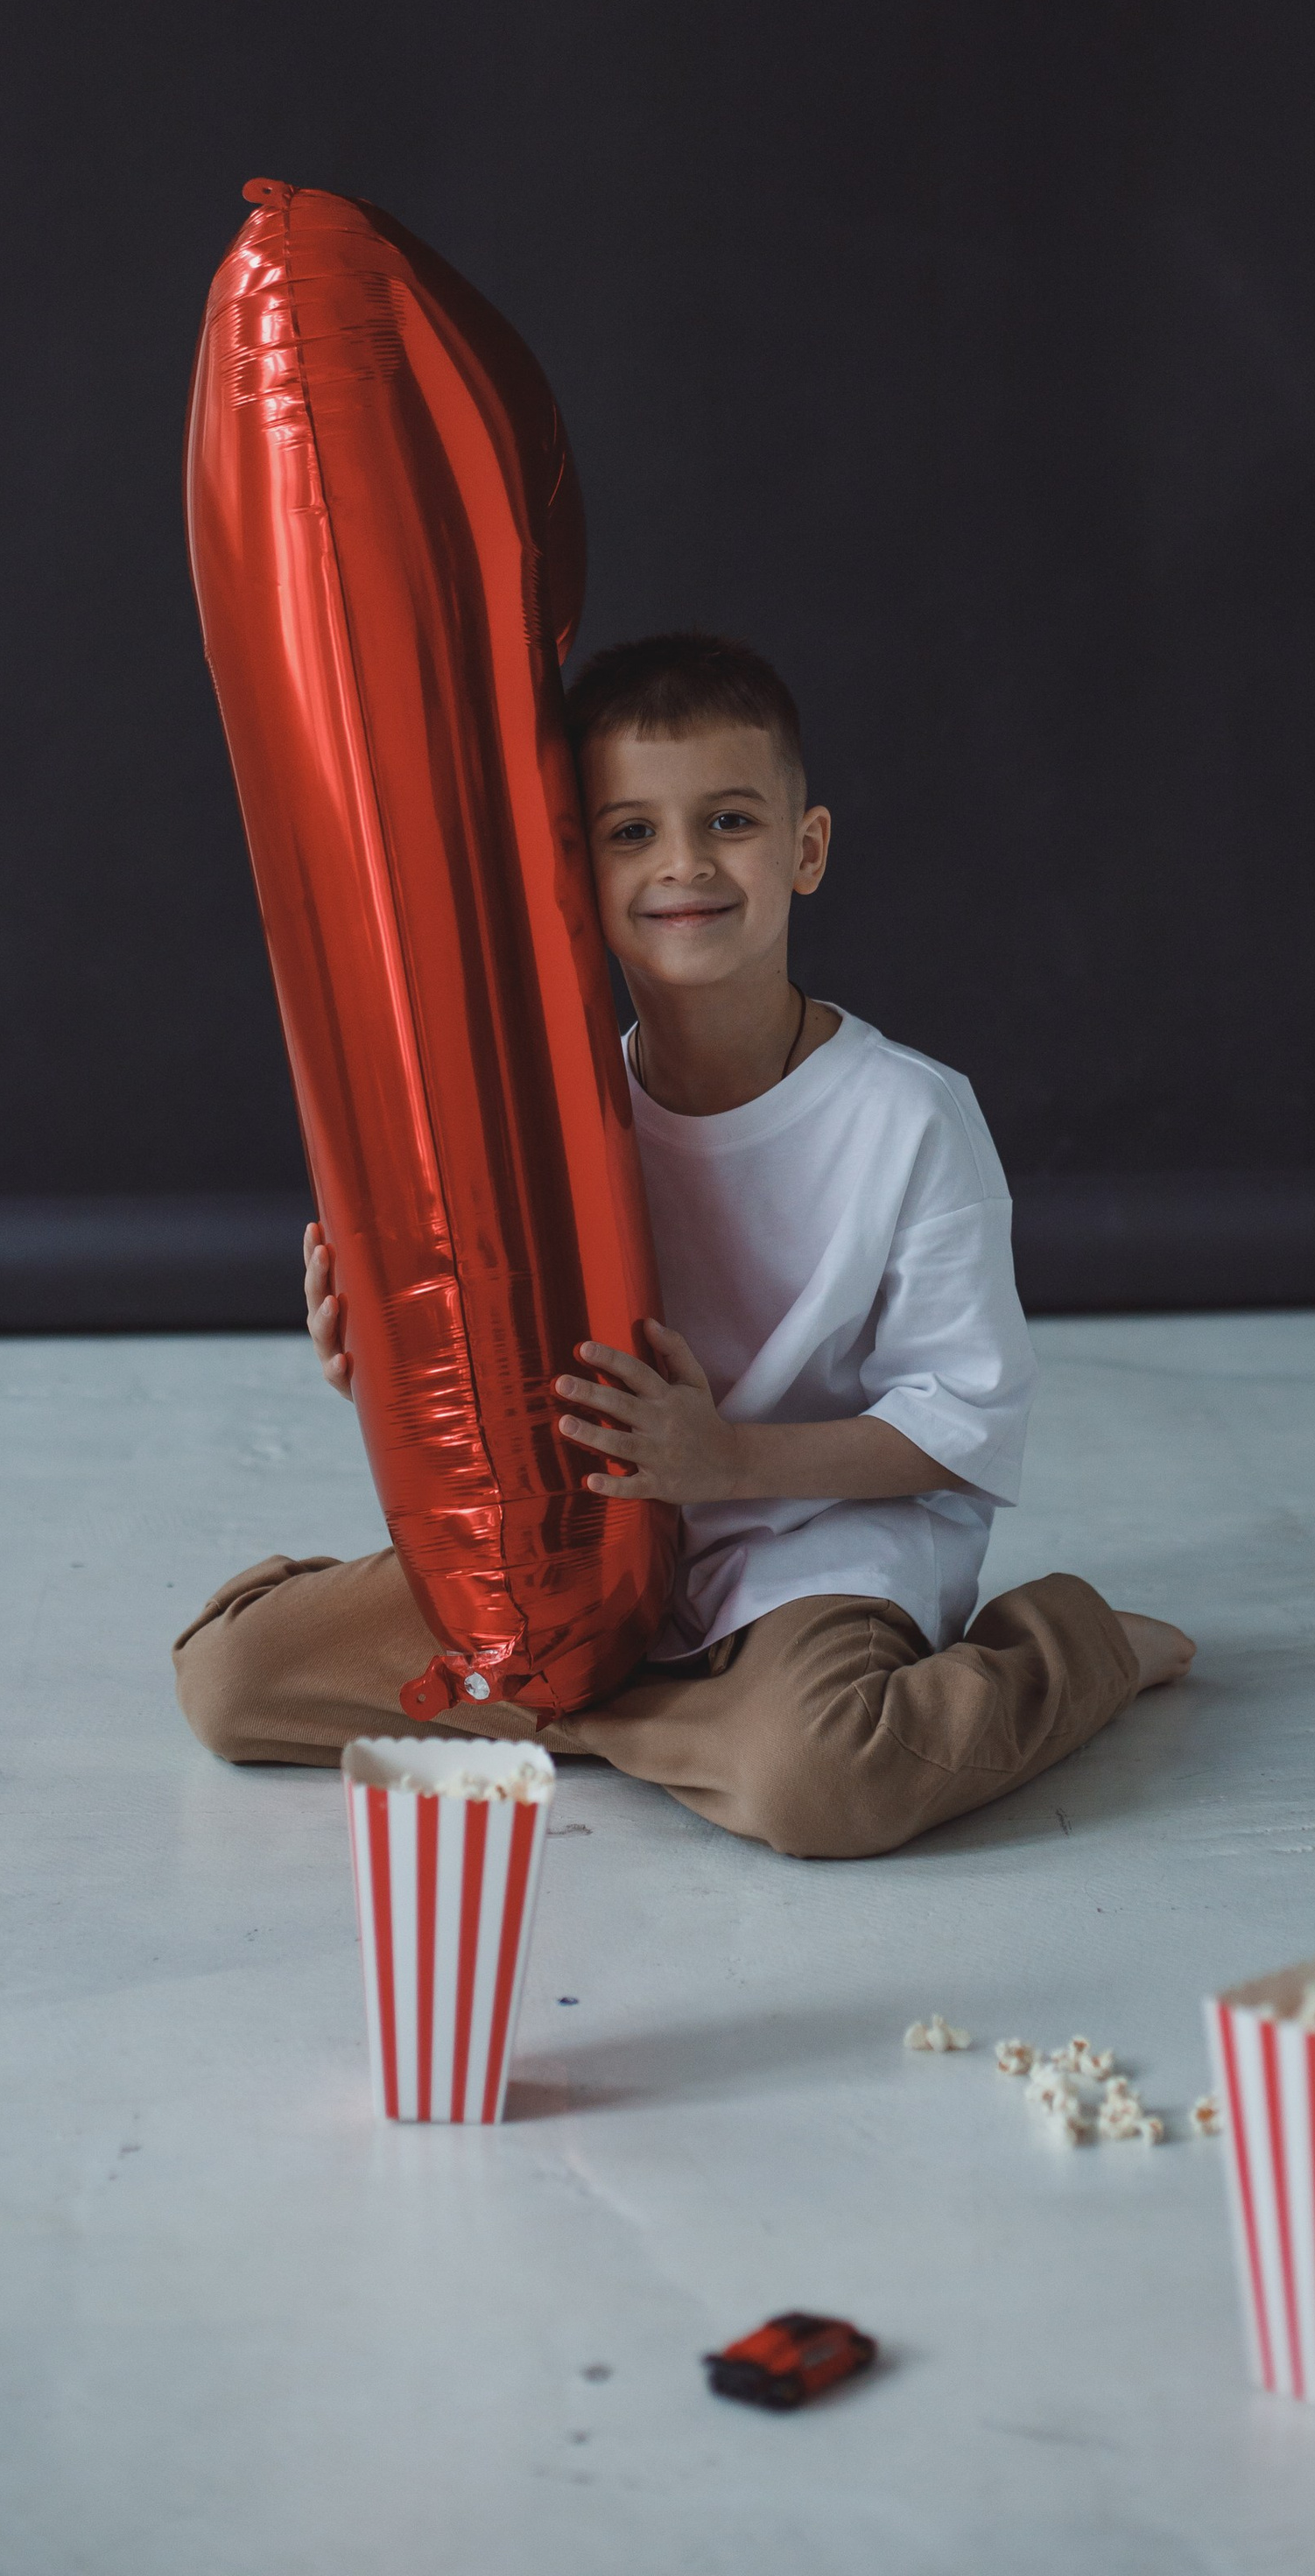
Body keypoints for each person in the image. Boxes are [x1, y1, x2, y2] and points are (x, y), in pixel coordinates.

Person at [173, 631, 1193, 1857]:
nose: (684, 866)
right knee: (231, 1684)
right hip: (598, 1555)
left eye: (728, 821)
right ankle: (674, 1731)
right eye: (630, 833)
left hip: (813, 1551)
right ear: (575, 871)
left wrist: (729, 1461)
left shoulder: (910, 1118)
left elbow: (960, 1430)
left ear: (806, 848)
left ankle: (1080, 1651)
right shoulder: (554, 1124)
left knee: (823, 1785)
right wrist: (387, 1353)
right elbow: (516, 1369)